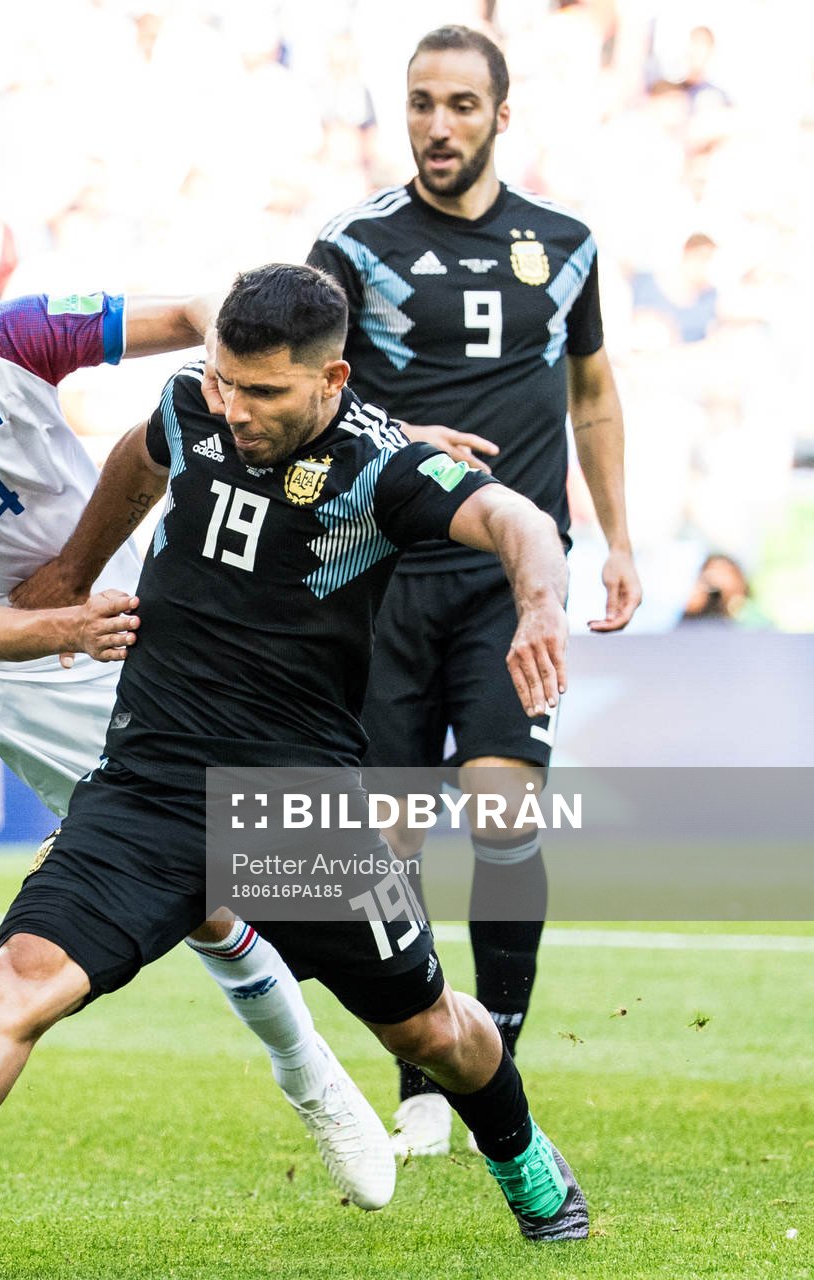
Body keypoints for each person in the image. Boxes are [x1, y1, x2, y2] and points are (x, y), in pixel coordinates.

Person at [0, 263, 588, 1248]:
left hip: (293, 809)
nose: (235, 411)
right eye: (224, 382)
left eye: (265, 393)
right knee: (15, 978)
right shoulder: (191, 408)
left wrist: (540, 602)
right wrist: (74, 569)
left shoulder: (382, 470)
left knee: (427, 1028)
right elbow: (139, 453)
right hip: (148, 786)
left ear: (333, 381)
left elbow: (518, 520)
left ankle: (521, 1148)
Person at [0, 190, 389, 1250]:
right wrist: (61, 626)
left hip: (93, 639)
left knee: (208, 900)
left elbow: (200, 313)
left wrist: (332, 394)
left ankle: (311, 1074)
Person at [304, 25, 641, 1158]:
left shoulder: (567, 243)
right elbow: (301, 394)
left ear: (502, 115)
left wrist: (621, 536)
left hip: (511, 582)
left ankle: (494, 1043)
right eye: (418, 105)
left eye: (458, 105)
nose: (436, 126)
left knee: (505, 811)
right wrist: (394, 434)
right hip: (383, 580)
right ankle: (422, 1073)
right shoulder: (352, 246)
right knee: (387, 842)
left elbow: (591, 393)